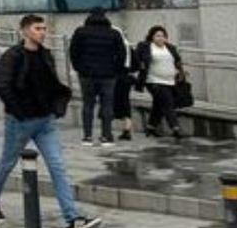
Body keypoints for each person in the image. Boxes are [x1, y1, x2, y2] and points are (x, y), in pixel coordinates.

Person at [0, 14, 102, 228]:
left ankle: (72, 218)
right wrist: (19, 113)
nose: (43, 32)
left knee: (58, 166)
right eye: (38, 28)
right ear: (24, 31)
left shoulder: (46, 55)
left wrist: (57, 106)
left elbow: (52, 84)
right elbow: (4, 87)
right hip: (20, 122)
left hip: (45, 121)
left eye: (44, 28)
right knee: (7, 162)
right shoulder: (12, 56)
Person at [68, 8, 127, 147]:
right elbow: (122, 54)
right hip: (108, 75)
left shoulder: (80, 32)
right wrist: (116, 70)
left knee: (88, 104)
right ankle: (106, 136)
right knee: (107, 105)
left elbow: (73, 52)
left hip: (87, 74)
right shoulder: (114, 33)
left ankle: (87, 136)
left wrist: (79, 68)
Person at [134, 25, 185, 139]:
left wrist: (181, 72)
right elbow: (136, 57)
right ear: (151, 37)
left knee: (158, 104)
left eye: (163, 36)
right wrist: (141, 65)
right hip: (153, 81)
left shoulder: (170, 48)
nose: (160, 38)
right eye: (157, 36)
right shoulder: (145, 46)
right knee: (168, 103)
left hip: (170, 81)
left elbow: (177, 61)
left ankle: (151, 128)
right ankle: (175, 128)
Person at [113, 25, 136, 141]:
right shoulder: (128, 45)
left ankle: (108, 130)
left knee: (113, 101)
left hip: (116, 75)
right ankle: (127, 128)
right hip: (126, 75)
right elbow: (135, 63)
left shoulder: (116, 46)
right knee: (125, 102)